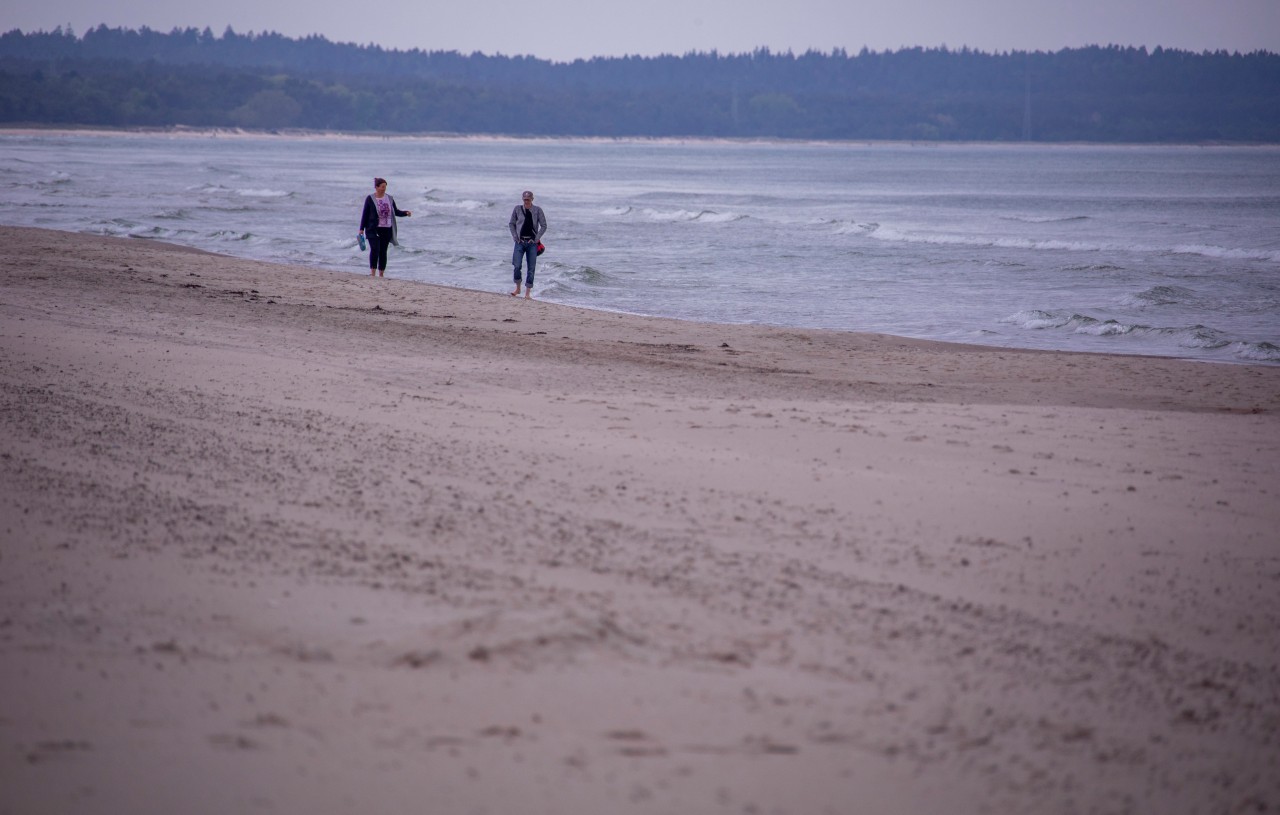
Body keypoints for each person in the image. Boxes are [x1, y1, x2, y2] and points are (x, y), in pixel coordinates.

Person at [358, 177, 411, 277]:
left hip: (386, 229)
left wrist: (405, 213)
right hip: (373, 229)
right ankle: (373, 272)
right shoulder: (370, 199)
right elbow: (365, 214)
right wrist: (361, 229)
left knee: (383, 251)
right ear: (376, 187)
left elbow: (396, 211)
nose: (384, 189)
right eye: (382, 187)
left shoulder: (389, 198)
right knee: (375, 249)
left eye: (385, 187)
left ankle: (381, 273)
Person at [508, 190, 547, 298]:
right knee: (516, 265)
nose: (526, 201)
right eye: (525, 199)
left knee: (531, 268)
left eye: (528, 199)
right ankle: (518, 288)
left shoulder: (538, 210)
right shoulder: (517, 209)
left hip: (532, 243)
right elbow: (511, 224)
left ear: (532, 199)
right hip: (519, 242)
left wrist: (536, 239)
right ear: (522, 199)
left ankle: (527, 293)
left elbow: (544, 225)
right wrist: (515, 237)